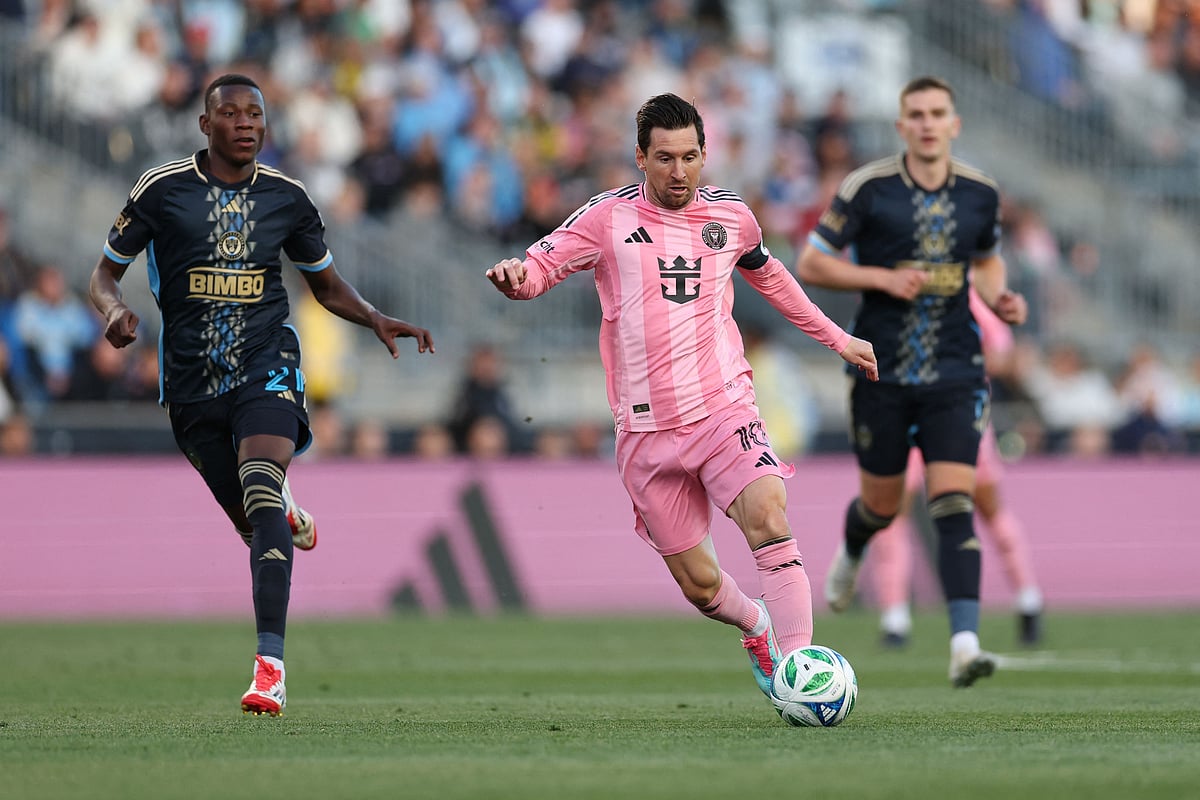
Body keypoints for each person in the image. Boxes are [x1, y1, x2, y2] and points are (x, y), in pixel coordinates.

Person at [486, 93, 878, 703]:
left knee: (769, 517)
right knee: (701, 587)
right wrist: (517, 278)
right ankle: (756, 627)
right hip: (645, 433)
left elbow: (769, 275)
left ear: (704, 155)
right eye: (664, 158)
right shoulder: (606, 219)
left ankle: (801, 672)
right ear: (640, 158)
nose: (679, 172)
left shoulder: (733, 218)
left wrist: (838, 338)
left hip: (724, 407)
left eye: (690, 157)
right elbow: (541, 268)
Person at [89, 73, 434, 717]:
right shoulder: (161, 190)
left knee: (259, 484)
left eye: (256, 114)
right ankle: (286, 511)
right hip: (190, 383)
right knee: (257, 521)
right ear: (205, 124)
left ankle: (269, 668)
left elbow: (325, 286)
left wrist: (377, 317)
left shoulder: (288, 199)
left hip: (266, 361)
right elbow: (105, 274)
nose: (246, 123)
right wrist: (112, 312)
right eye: (231, 113)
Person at [795, 76, 1028, 688]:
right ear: (901, 127)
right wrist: (879, 278)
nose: (927, 123)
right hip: (882, 371)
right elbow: (812, 262)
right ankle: (852, 548)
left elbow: (984, 259)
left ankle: (964, 642)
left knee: (954, 502)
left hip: (956, 369)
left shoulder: (980, 193)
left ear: (955, 124)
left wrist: (999, 296)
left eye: (937, 114)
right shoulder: (868, 188)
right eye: (915, 114)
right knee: (881, 504)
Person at [866, 289, 1045, 649]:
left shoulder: (969, 300)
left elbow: (1003, 357)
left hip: (961, 419)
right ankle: (895, 619)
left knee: (989, 509)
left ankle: (1028, 601)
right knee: (892, 514)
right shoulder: (891, 295)